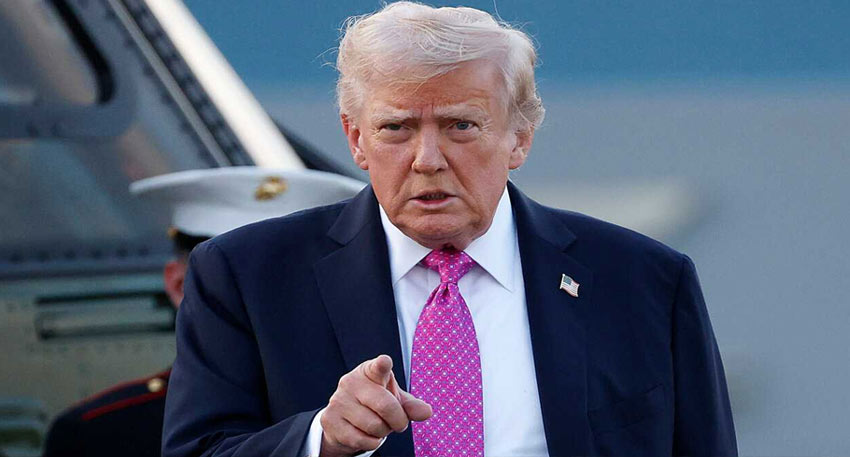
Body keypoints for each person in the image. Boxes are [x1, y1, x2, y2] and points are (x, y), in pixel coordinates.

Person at [162, 3, 738, 457]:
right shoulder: (247, 276)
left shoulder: (644, 282)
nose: (427, 158)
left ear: (519, 137)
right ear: (355, 138)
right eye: (396, 128)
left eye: (461, 125)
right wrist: (320, 440)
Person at [42, 167, 364, 457]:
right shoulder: (102, 434)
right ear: (179, 284)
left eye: (286, 283)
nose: (262, 302)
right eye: (228, 282)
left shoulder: (376, 413)